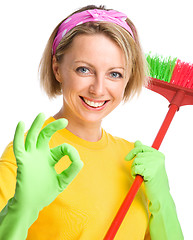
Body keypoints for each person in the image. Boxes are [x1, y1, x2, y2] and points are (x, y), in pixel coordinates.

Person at [0, 5, 183, 240]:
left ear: (128, 77)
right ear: (57, 69)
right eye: (84, 69)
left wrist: (162, 199)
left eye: (114, 74)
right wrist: (20, 209)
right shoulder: (29, 154)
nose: (98, 89)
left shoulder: (135, 161)